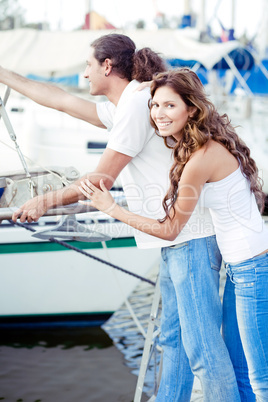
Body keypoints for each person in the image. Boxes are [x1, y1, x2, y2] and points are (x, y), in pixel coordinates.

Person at [4, 34, 240, 400]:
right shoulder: (127, 104)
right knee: (174, 340)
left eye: (88, 66)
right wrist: (5, 75)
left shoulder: (135, 107)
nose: (83, 75)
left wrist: (44, 202)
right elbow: (61, 100)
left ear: (107, 66)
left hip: (191, 239)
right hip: (178, 240)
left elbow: (102, 179)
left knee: (204, 351)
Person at [78, 68, 268, 401]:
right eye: (154, 105)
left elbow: (169, 229)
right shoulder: (208, 145)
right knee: (242, 372)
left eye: (169, 106)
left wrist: (112, 208)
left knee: (258, 375)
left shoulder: (200, 159)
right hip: (243, 268)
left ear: (191, 109)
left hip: (251, 271)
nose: (158, 114)